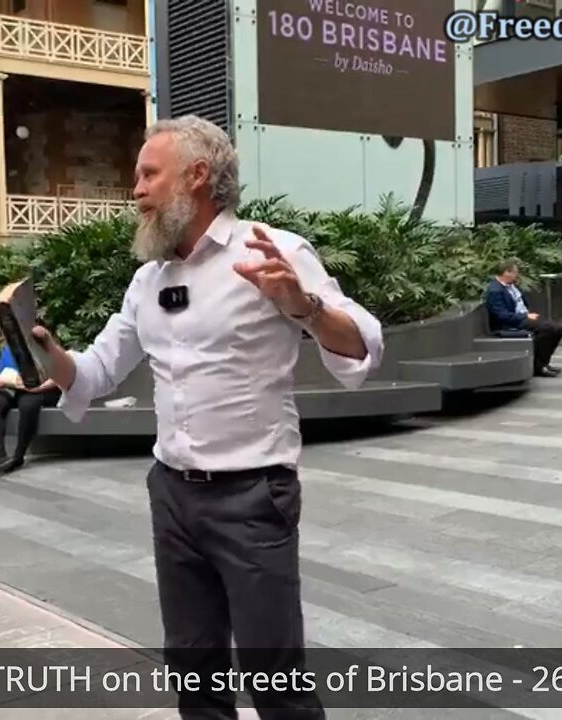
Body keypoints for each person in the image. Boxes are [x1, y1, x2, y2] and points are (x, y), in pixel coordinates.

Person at [31, 116, 383, 719]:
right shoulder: (149, 281)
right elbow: (93, 376)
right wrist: (47, 353)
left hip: (253, 496)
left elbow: (362, 349)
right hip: (172, 495)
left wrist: (304, 306)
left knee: (276, 678)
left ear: (196, 176)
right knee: (193, 670)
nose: (134, 189)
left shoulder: (273, 251)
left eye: (148, 174)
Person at [0, 340, 60, 476]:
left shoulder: (46, 346)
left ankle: (18, 456)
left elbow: (55, 376)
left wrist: (31, 385)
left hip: (36, 388)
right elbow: (0, 371)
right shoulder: (9, 346)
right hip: (11, 387)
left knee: (28, 406)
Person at [484, 258, 562, 378]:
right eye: (515, 273)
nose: (517, 275)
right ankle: (538, 366)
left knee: (558, 329)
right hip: (511, 323)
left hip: (524, 318)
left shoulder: (512, 286)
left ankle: (542, 363)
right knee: (547, 330)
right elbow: (501, 315)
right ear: (507, 272)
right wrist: (525, 315)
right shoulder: (495, 290)